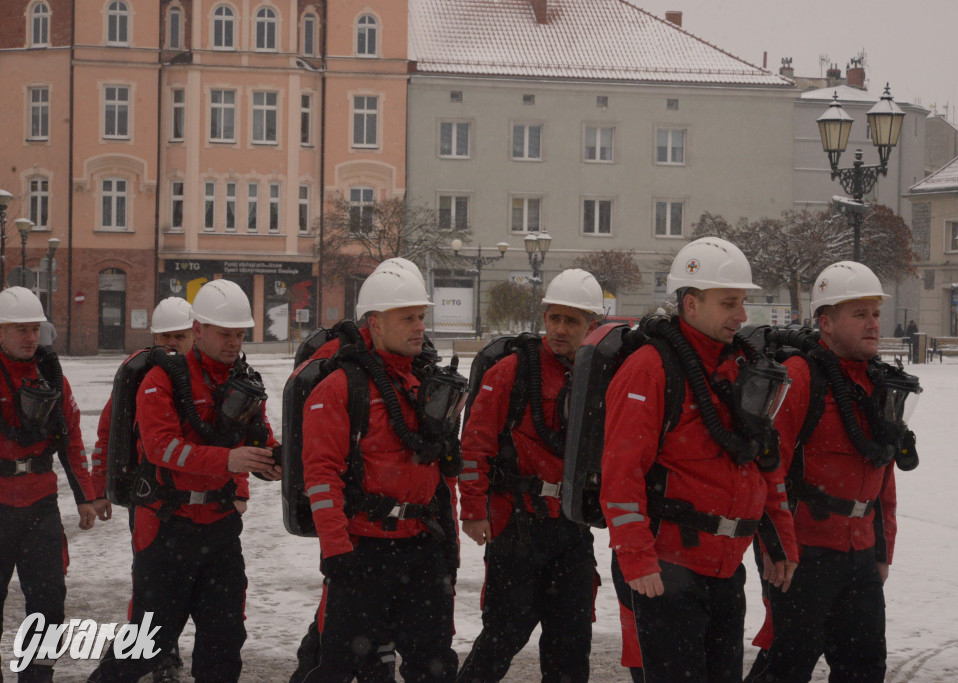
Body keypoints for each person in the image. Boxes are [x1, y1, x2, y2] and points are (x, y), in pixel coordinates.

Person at [600, 238, 798, 682]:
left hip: (726, 570)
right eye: (729, 303)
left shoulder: (740, 367)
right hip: (668, 571)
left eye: (743, 303)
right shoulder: (651, 368)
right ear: (690, 303)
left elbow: (762, 462)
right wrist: (637, 559)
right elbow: (621, 471)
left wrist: (779, 540)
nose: (742, 315)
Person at [88, 279, 281, 683]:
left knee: (224, 644)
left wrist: (272, 462)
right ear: (199, 330)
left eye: (240, 335)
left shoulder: (242, 378)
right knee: (146, 647)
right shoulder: (161, 379)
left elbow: (258, 435)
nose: (233, 343)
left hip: (220, 524)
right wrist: (229, 459)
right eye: (224, 334)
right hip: (166, 525)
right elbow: (161, 449)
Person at [746, 261, 903, 683]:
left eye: (875, 313)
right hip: (802, 557)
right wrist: (777, 548)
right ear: (826, 322)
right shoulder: (799, 377)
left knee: (865, 669)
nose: (873, 324)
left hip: (860, 556)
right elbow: (766, 467)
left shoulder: (878, 384)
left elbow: (883, 476)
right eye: (859, 314)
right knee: (787, 667)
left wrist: (881, 551)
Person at [301, 267, 459, 682]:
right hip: (362, 552)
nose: (419, 327)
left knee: (435, 666)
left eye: (421, 317)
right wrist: (336, 552)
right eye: (407, 318)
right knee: (337, 666)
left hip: (422, 547)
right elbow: (321, 476)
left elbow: (441, 476)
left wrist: (450, 543)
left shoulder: (425, 384)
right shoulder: (340, 387)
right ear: (375, 323)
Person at [457, 269, 605, 683]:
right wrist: (473, 508)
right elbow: (475, 445)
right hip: (516, 525)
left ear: (592, 326)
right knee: (502, 637)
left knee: (571, 645)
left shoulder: (600, 377)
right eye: (554, 318)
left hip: (572, 528)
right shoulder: (511, 370)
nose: (559, 329)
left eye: (571, 321)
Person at [88, 296, 195, 683]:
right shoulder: (136, 375)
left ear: (194, 334)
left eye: (180, 336)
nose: (173, 343)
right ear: (154, 336)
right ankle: (154, 650)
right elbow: (108, 432)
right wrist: (101, 487)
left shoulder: (202, 374)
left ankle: (161, 645)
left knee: (188, 581)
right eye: (166, 336)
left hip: (192, 498)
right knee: (148, 580)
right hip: (148, 496)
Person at [0, 286, 96, 682]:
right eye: (19, 329)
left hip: (40, 505)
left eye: (34, 329)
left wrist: (86, 497)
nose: (29, 338)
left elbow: (71, 438)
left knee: (49, 603)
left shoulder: (51, 375)